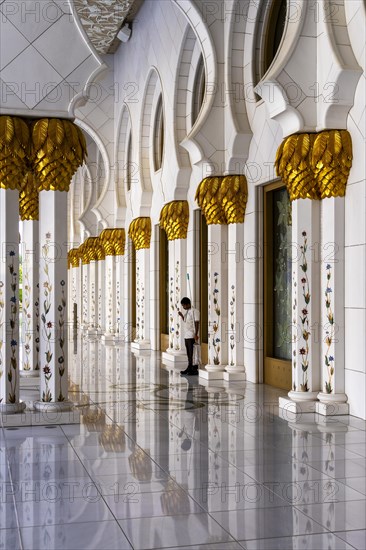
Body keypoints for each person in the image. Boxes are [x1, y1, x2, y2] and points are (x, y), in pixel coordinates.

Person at [178, 297, 200, 376]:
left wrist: (196, 334)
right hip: (186, 335)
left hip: (192, 335)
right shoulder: (187, 312)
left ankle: (193, 368)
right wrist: (181, 315)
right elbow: (186, 321)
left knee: (192, 353)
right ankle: (189, 367)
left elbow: (197, 323)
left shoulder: (195, 311)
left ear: (188, 304)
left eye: (184, 305)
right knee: (188, 352)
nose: (183, 307)